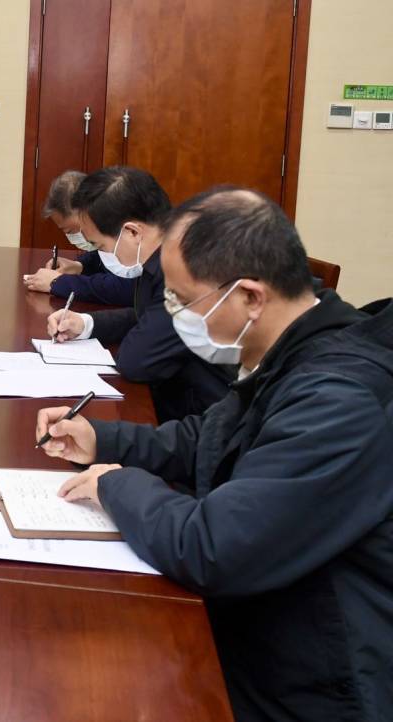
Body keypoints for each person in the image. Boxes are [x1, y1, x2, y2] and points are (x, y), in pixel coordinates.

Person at [36, 187, 393, 721]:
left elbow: (213, 547)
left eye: (181, 300)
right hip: (264, 626)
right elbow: (208, 437)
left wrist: (114, 483)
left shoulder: (339, 398)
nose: (172, 314)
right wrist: (102, 440)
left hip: (311, 681)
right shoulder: (290, 350)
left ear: (250, 297)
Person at [45, 166, 233, 421]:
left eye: (100, 246)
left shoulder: (182, 269)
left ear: (132, 232)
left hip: (202, 418)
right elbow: (149, 315)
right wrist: (86, 323)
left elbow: (136, 361)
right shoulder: (166, 252)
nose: (101, 255)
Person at [21, 170, 133, 306]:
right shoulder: (108, 233)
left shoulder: (129, 232)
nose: (84, 236)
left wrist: (58, 282)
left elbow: (126, 289)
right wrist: (79, 266)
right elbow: (104, 258)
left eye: (71, 230)